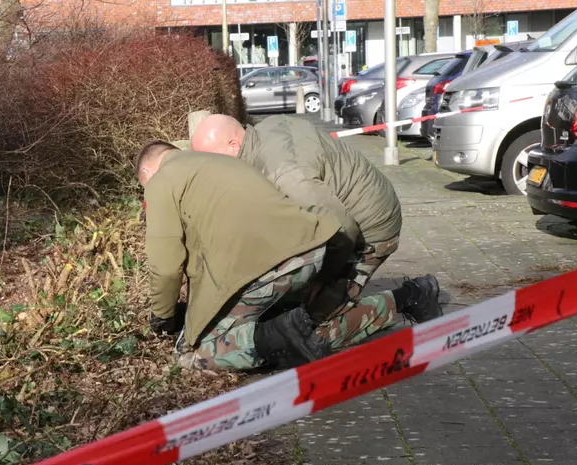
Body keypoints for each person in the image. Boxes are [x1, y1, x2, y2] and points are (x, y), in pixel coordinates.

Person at [135, 139, 441, 372]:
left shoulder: (163, 181)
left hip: (264, 268)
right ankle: (409, 296)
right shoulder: (220, 164)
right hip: (309, 251)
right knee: (308, 330)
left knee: (199, 356)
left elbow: (165, 267)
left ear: (148, 171)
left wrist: (162, 317)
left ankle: (280, 338)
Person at [190, 114, 431, 328]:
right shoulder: (265, 129)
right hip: (349, 209)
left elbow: (342, 230)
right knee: (292, 299)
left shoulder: (285, 173)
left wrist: (325, 277)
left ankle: (411, 297)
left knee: (316, 323)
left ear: (234, 145)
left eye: (212, 160)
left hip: (370, 230)